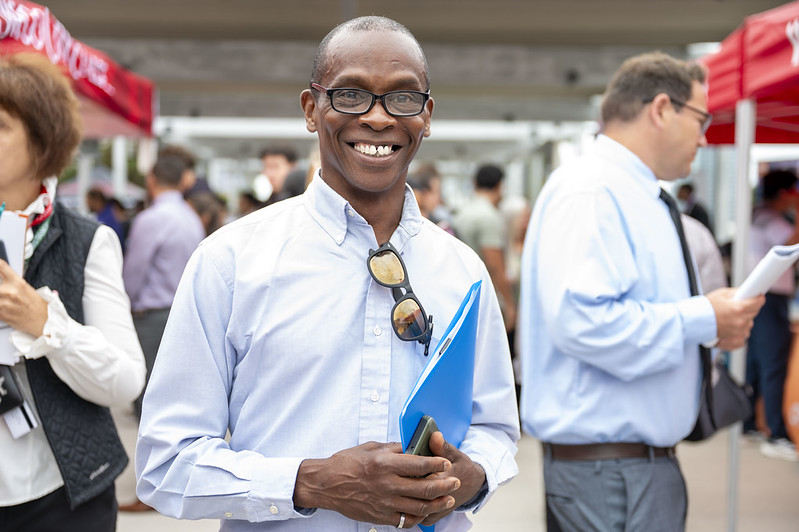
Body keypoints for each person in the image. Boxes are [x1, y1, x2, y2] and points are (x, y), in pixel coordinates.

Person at [135, 16, 519, 531]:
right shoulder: (231, 262)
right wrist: (312, 483)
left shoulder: (463, 270)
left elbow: (495, 429)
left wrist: (471, 477)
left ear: (427, 116)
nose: (380, 118)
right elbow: (166, 464)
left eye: (403, 98)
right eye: (351, 95)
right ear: (311, 110)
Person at [519, 51, 765, 531]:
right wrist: (700, 318)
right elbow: (584, 323)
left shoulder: (632, 193)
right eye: (701, 118)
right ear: (660, 109)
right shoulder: (593, 191)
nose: (705, 135)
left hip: (628, 465)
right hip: (611, 469)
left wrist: (708, 325)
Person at [0, 53, 145, 531]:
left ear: (43, 143)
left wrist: (45, 324)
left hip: (61, 494)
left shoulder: (86, 240)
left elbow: (126, 379)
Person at [122, 154, 205, 421]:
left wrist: (125, 304)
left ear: (151, 179)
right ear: (183, 181)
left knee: (144, 395)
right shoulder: (190, 217)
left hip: (151, 317)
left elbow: (134, 271)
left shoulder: (151, 218)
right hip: (183, 312)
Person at [744, 169, 799, 461]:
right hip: (771, 299)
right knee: (773, 364)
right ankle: (776, 433)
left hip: (760, 296)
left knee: (756, 362)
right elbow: (790, 246)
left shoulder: (755, 214)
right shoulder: (774, 220)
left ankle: (749, 423)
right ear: (784, 194)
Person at [452, 164, 517, 333]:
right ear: (500, 185)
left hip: (462, 291)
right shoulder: (489, 217)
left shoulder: (462, 212)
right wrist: (509, 304)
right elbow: (494, 265)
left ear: (475, 183)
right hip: (484, 297)